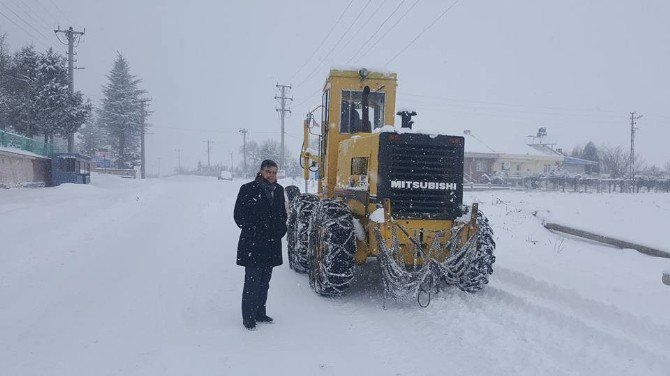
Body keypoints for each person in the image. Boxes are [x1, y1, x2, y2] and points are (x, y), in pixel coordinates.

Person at [234, 159, 287, 330]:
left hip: (271, 244)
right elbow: (239, 216)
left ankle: (260, 312)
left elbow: (282, 215)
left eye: (274, 172)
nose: (271, 175)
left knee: (265, 281)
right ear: (261, 172)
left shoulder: (279, 190)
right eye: (268, 172)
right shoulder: (248, 189)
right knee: (252, 282)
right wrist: (255, 228)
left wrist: (281, 229)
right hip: (253, 244)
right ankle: (248, 317)